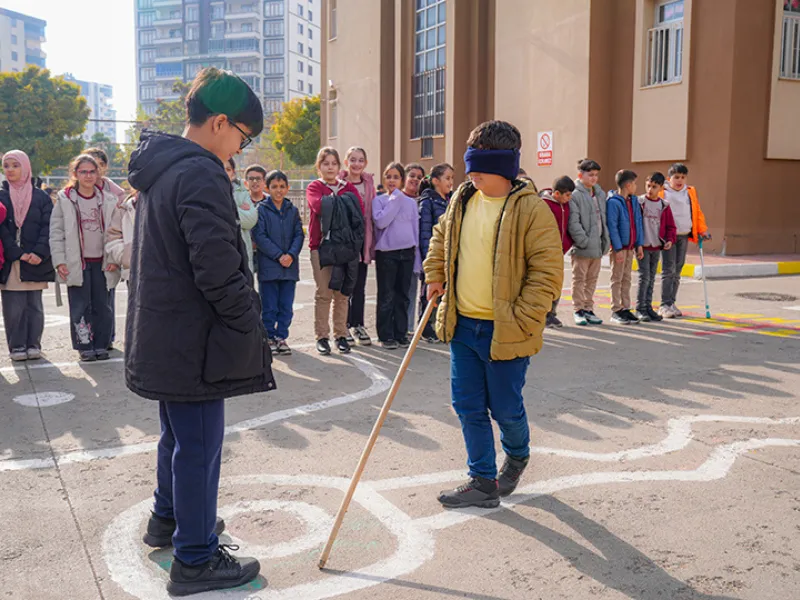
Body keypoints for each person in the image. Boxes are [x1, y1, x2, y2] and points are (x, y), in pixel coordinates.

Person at [126, 67, 273, 595]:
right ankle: (195, 558)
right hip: (193, 339)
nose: (240, 148)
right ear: (218, 122)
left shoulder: (162, 166)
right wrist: (248, 321)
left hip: (166, 334)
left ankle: (169, 519)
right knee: (201, 444)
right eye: (242, 136)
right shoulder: (200, 172)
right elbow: (216, 267)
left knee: (179, 437)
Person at [424, 120, 563, 508]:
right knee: (468, 404)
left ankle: (517, 454)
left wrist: (522, 315)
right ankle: (482, 480)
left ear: (504, 167)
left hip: (506, 328)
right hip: (463, 322)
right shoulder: (462, 199)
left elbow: (547, 272)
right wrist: (435, 274)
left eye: (479, 167)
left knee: (504, 407)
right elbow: (441, 239)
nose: (471, 174)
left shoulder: (532, 210)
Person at [50, 154, 119, 362]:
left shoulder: (108, 200)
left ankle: (101, 343)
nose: (88, 176)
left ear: (99, 173)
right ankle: (84, 345)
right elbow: (56, 233)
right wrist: (60, 261)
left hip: (103, 263)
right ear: (75, 174)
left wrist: (115, 257)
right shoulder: (65, 199)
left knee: (102, 306)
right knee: (80, 306)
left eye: (92, 171)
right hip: (77, 263)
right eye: (83, 171)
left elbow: (116, 232)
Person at [306, 147, 364, 356]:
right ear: (319, 167)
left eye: (333, 163)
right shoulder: (315, 186)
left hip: (346, 248)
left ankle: (341, 335)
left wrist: (337, 202)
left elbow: (359, 211)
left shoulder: (347, 186)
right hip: (321, 247)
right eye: (325, 163)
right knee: (324, 294)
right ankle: (322, 336)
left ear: (339, 166)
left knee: (342, 294)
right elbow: (319, 206)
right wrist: (343, 203)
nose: (330, 168)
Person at [0, 150, 55, 361]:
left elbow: (48, 226)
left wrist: (39, 252)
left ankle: (34, 344)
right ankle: (17, 347)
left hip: (36, 259)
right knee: (13, 307)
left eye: (15, 165)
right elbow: (2, 229)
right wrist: (17, 253)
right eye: (7, 166)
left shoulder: (41, 197)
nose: (11, 170)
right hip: (12, 261)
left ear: (25, 167)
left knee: (34, 306)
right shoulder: (1, 196)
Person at [253, 170, 304, 356]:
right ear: (267, 188)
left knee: (286, 305)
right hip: (269, 267)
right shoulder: (262, 210)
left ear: (288, 188)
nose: (279, 190)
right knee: (269, 305)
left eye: (282, 186)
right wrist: (278, 255)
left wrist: (290, 255)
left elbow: (299, 234)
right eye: (274, 186)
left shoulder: (292, 210)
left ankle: (282, 337)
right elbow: (259, 236)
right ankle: (269, 337)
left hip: (289, 268)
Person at [372, 163, 420, 350]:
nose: (392, 180)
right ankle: (386, 334)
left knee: (403, 295)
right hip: (387, 254)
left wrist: (417, 258)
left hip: (407, 253)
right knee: (386, 295)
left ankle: (400, 332)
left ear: (401, 180)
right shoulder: (380, 200)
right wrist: (395, 199)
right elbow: (381, 221)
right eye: (388, 176)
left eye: (396, 177)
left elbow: (414, 231)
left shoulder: (411, 203)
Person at [85, 147, 126, 350]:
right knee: (85, 301)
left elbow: (119, 230)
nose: (95, 170)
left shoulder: (117, 195)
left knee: (106, 300)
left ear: (105, 167)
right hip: (85, 255)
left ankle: (106, 338)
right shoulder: (75, 192)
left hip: (109, 254)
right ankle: (88, 340)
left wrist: (113, 258)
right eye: (90, 165)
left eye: (99, 165)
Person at [659, 163, 710, 318]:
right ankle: (664, 304)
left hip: (683, 234)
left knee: (678, 270)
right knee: (669, 270)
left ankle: (672, 302)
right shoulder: (663, 192)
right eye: (676, 177)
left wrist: (702, 229)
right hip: (668, 236)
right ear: (669, 178)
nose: (679, 180)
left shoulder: (689, 192)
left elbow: (697, 211)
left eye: (682, 177)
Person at [340, 147, 376, 346]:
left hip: (363, 240)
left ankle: (357, 324)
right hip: (345, 240)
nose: (356, 164)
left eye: (361, 160)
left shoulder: (368, 183)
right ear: (346, 162)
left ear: (365, 163)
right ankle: (342, 325)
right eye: (353, 159)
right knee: (345, 284)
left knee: (359, 285)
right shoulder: (339, 182)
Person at [568, 159, 610, 326]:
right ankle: (578, 310)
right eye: (590, 174)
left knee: (592, 279)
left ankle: (588, 308)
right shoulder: (575, 195)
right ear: (580, 175)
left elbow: (603, 219)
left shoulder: (599, 193)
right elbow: (574, 222)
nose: (593, 178)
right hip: (582, 247)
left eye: (596, 175)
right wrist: (583, 241)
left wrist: (604, 240)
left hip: (598, 245)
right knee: (579, 279)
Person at [417, 163, 454, 342]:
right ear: (435, 181)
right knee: (429, 293)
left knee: (445, 294)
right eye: (447, 178)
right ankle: (426, 327)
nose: (451, 182)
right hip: (434, 255)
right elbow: (425, 233)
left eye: (452, 178)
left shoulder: (451, 201)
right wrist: (428, 260)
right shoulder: (427, 202)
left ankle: (440, 326)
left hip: (449, 256)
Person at [637, 172, 676, 322]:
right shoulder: (640, 202)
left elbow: (671, 227)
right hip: (643, 246)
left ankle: (648, 307)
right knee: (644, 277)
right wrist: (637, 244)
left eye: (654, 187)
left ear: (660, 188)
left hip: (656, 246)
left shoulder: (664, 205)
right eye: (648, 186)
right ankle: (640, 308)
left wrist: (669, 240)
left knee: (652, 278)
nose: (650, 189)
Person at [606, 170, 644, 325]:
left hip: (630, 247)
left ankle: (626, 308)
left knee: (627, 278)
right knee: (617, 278)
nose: (635, 186)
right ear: (628, 185)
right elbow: (612, 226)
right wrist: (617, 248)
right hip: (620, 248)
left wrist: (639, 244)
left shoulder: (633, 201)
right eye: (634, 183)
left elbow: (638, 223)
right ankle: (616, 310)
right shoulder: (613, 202)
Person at [539, 176, 575, 328]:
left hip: (559, 252)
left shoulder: (566, 206)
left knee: (557, 284)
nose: (569, 198)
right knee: (544, 284)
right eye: (567, 195)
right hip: (545, 252)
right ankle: (543, 314)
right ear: (557, 194)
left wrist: (567, 243)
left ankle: (552, 313)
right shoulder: (545, 205)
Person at [402, 163, 425, 334]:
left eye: (419, 177)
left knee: (417, 291)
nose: (415, 180)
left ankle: (413, 328)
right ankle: (403, 327)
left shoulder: (425, 200)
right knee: (403, 290)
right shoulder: (397, 198)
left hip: (422, 251)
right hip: (403, 250)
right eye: (412, 175)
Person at [105, 190, 138, 283]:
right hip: (133, 272)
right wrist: (126, 257)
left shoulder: (164, 207)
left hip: (163, 272)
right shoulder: (124, 209)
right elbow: (113, 237)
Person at [237, 165, 265, 273]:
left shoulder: (270, 202)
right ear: (245, 182)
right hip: (245, 250)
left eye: (258, 179)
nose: (254, 182)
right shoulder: (240, 201)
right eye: (251, 178)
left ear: (264, 182)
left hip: (265, 252)